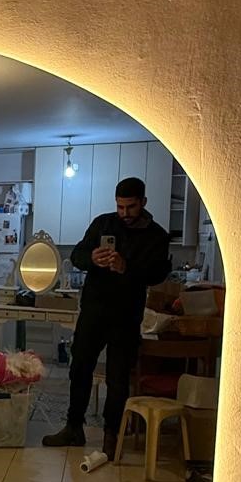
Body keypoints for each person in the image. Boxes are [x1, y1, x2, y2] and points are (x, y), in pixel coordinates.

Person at [43, 177, 172, 460]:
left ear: (143, 202)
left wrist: (127, 267)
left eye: (131, 207)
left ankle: (111, 435)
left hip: (127, 315)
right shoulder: (103, 223)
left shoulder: (157, 236)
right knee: (79, 368)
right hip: (94, 311)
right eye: (120, 206)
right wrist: (92, 258)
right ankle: (73, 427)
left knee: (117, 377)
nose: (124, 213)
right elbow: (76, 255)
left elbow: (157, 274)